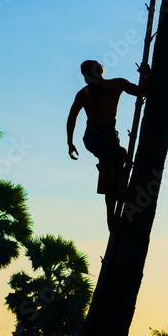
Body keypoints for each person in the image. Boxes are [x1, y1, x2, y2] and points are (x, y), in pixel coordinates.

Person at [66, 60, 150, 232]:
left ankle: (112, 182)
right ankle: (112, 220)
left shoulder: (114, 85)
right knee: (115, 160)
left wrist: (147, 74)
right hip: (95, 137)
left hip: (106, 136)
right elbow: (72, 116)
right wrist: (69, 142)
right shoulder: (86, 93)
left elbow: (142, 91)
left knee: (120, 156)